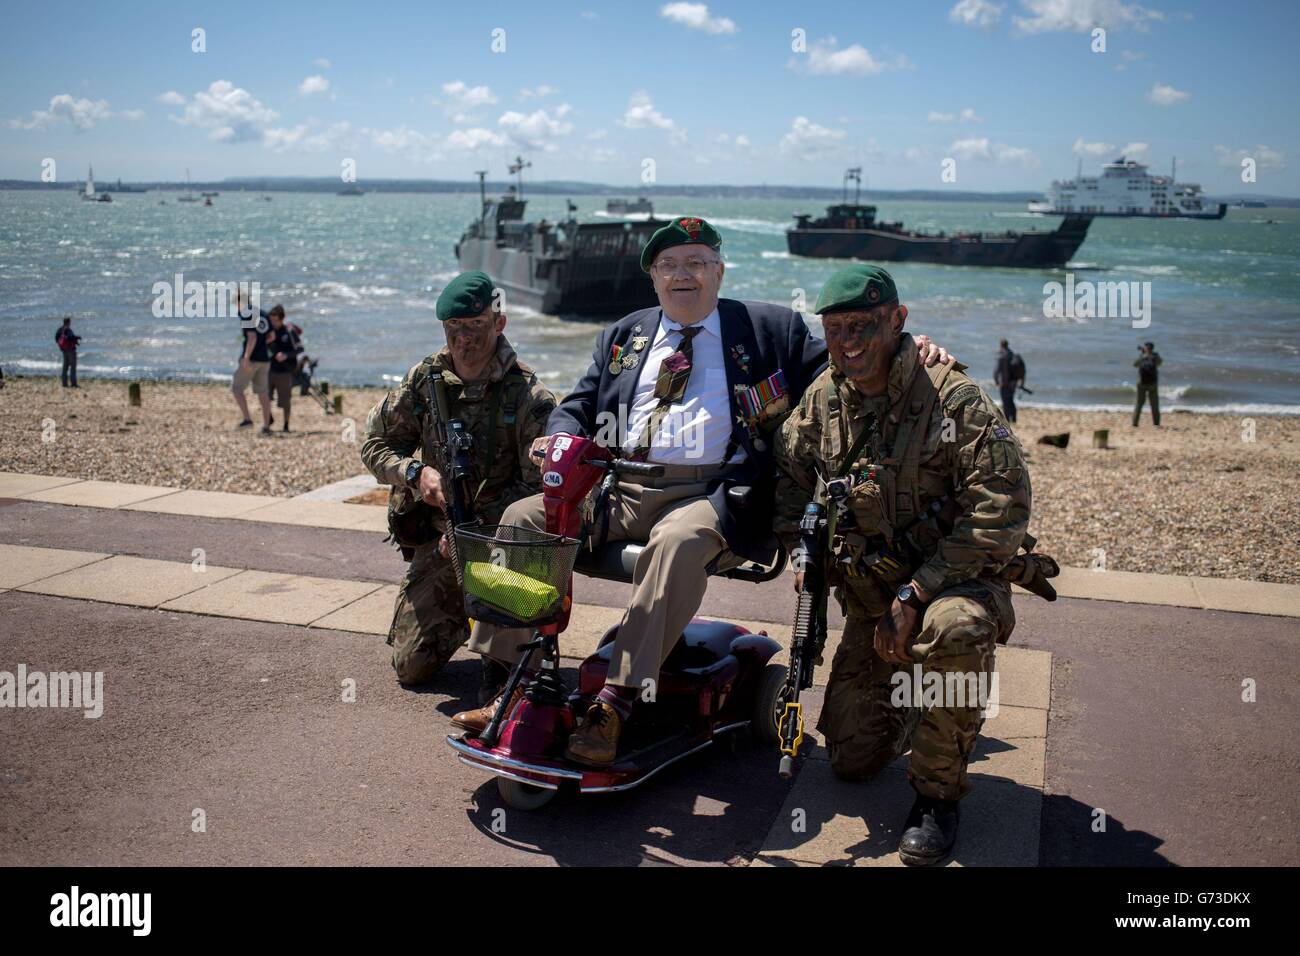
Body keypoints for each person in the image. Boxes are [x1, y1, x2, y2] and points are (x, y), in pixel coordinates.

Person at [456, 217, 954, 764]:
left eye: (696, 263)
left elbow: (852, 362)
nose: (682, 275)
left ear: (719, 271)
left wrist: (910, 346)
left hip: (712, 495)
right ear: (653, 278)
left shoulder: (770, 330)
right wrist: (559, 437)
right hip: (619, 486)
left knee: (676, 542)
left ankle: (614, 705)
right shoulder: (624, 334)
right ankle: (513, 685)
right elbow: (578, 403)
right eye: (669, 265)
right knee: (520, 520)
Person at [773, 264, 1050, 866]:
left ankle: (937, 797)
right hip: (871, 598)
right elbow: (789, 473)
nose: (848, 341)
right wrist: (801, 546)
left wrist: (915, 595)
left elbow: (1001, 512)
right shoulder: (823, 398)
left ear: (898, 321)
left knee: (955, 632)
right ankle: (914, 706)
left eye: (864, 326)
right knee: (849, 759)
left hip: (956, 585)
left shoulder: (953, 399)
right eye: (836, 327)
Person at [360, 271, 556, 689]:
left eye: (475, 327)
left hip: (502, 548)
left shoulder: (529, 396)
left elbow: (540, 490)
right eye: (454, 329)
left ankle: (505, 640)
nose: (463, 340)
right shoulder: (425, 381)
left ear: (498, 322)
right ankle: (464, 620)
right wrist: (416, 474)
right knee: (410, 667)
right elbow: (376, 445)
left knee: (507, 682)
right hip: (440, 539)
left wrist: (477, 532)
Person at [232, 291, 273, 430]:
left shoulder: (246, 313)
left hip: (252, 360)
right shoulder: (263, 313)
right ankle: (266, 425)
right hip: (265, 359)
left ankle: (247, 419)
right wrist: (262, 346)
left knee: (237, 389)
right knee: (263, 392)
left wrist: (246, 357)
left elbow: (252, 337)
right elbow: (272, 336)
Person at [266, 305, 300, 432]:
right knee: (265, 396)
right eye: (271, 320)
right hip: (269, 369)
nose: (273, 323)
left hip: (285, 371)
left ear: (281, 319)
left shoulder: (289, 331)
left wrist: (286, 355)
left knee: (285, 400)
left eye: (275, 320)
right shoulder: (268, 332)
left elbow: (300, 349)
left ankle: (286, 425)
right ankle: (268, 420)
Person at [992, 338, 1024, 423]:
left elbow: (996, 370)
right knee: (1011, 400)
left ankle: (1007, 419)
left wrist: (996, 381)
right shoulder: (1013, 354)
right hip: (1013, 382)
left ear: (1001, 345)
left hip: (1004, 383)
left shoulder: (1001, 356)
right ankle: (1013, 418)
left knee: (1005, 402)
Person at [1133, 341, 1162, 427]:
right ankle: (1156, 424)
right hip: (1153, 383)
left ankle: (1135, 424)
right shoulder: (1155, 357)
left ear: (1146, 348)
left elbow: (1135, 364)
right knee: (1154, 405)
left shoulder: (1142, 356)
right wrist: (1154, 354)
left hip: (1141, 383)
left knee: (1139, 404)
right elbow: (1159, 363)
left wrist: (1143, 355)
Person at [56, 317, 81, 388]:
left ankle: (64, 383)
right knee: (73, 366)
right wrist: (77, 337)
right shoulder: (68, 330)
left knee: (65, 367)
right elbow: (71, 337)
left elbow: (56, 338)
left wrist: (61, 345)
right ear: (68, 322)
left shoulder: (60, 329)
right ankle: (73, 383)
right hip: (71, 350)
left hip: (64, 350)